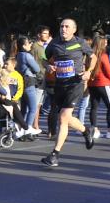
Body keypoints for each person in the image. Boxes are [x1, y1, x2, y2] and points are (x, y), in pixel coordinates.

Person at [40, 19, 96, 167]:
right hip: (60, 84)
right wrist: (48, 66)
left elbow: (93, 57)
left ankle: (54, 154)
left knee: (63, 118)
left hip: (75, 83)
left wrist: (88, 72)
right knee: (65, 117)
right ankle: (86, 130)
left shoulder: (80, 42)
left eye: (67, 27)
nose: (63, 29)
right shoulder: (54, 43)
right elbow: (44, 59)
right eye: (61, 26)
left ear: (74, 30)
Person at [86, 35, 110, 138]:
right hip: (103, 83)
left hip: (91, 83)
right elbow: (108, 70)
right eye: (104, 42)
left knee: (94, 107)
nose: (106, 44)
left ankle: (94, 129)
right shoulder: (103, 55)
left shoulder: (89, 55)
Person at [15, 35, 42, 136]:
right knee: (33, 107)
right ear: (24, 45)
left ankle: (21, 127)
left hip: (22, 82)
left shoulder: (18, 55)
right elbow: (37, 69)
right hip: (29, 81)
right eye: (28, 43)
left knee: (24, 108)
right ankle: (28, 127)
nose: (30, 44)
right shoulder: (27, 56)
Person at [30, 25, 50, 131]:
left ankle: (36, 125)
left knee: (38, 104)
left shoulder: (41, 47)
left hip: (42, 77)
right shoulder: (36, 47)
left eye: (47, 33)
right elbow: (42, 61)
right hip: (38, 78)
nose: (47, 35)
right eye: (44, 33)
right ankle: (34, 126)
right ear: (39, 34)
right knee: (35, 104)